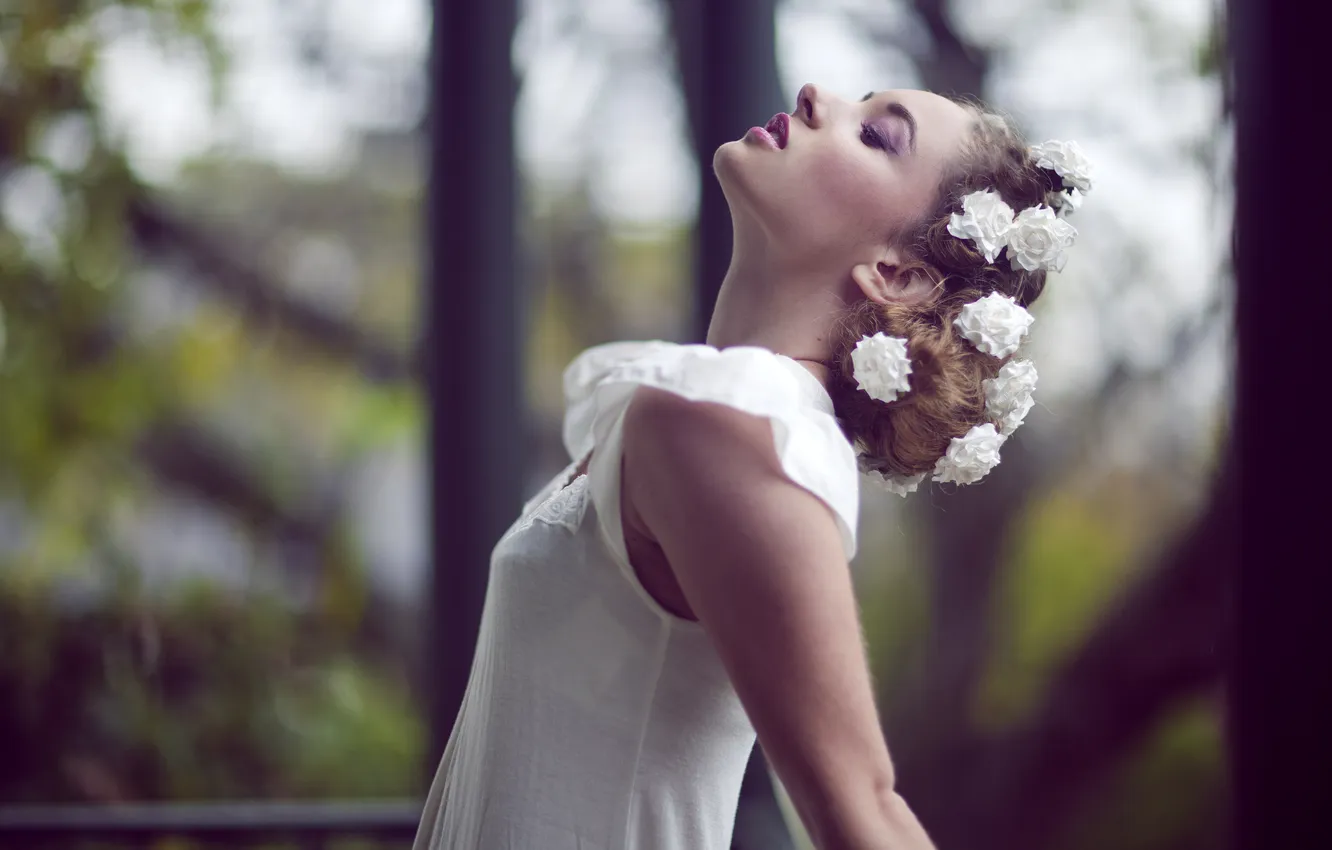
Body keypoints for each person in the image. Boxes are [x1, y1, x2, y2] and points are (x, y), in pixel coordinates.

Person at [413, 83, 1093, 850]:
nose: (815, 95)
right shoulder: (712, 411)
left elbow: (863, 811)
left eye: (877, 136)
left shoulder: (733, 421)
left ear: (896, 275)